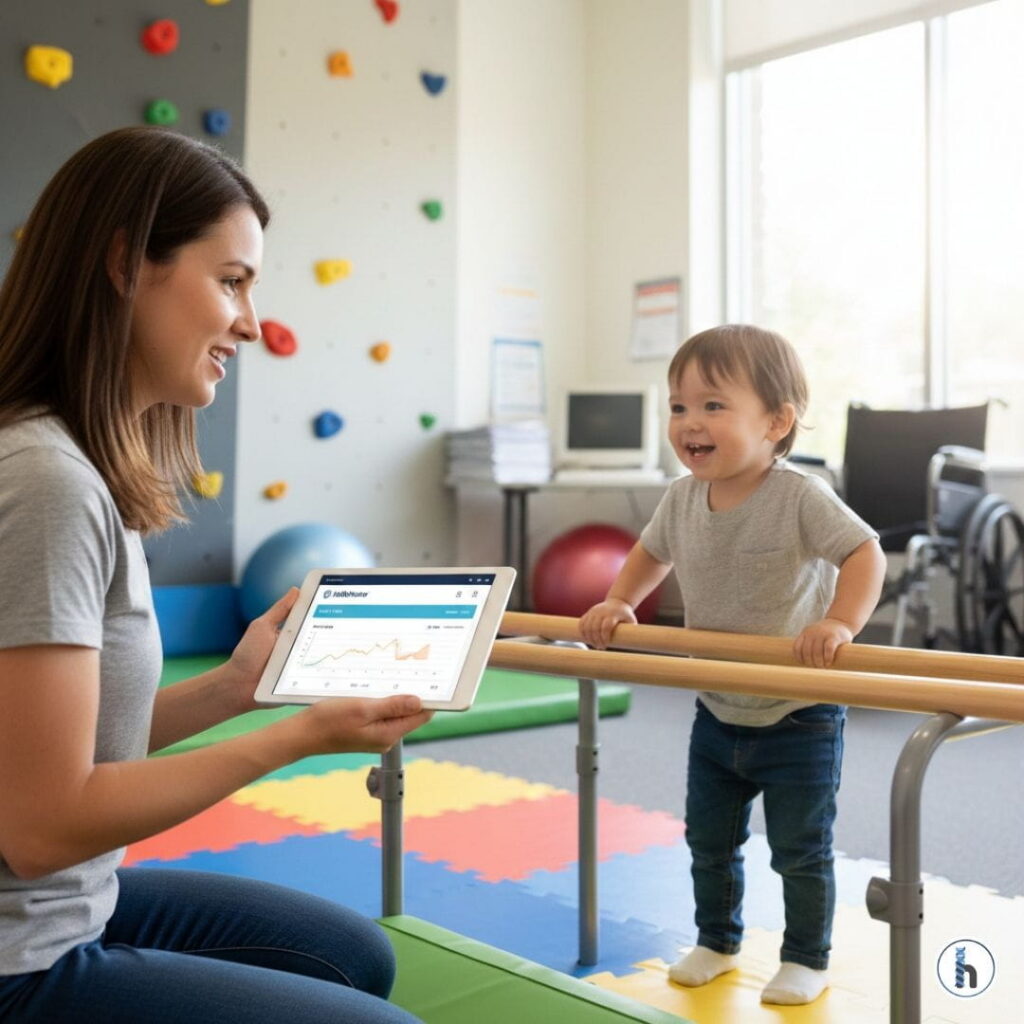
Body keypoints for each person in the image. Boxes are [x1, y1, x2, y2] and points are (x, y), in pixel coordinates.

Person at [0, 127, 434, 1024]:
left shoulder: (67, 464)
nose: (249, 321)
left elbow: (62, 743)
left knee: (354, 956)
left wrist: (239, 689)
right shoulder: (43, 481)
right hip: (20, 956)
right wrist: (298, 735)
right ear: (125, 264)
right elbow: (41, 825)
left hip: (63, 907)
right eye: (230, 280)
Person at [579, 324, 886, 1006]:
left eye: (713, 406)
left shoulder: (798, 496)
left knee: (799, 849)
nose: (690, 423)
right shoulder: (681, 497)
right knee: (707, 841)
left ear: (777, 422)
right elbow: (648, 553)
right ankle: (717, 940)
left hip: (796, 710)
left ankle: (806, 956)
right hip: (716, 707)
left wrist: (838, 621)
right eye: (679, 407)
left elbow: (866, 553)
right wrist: (619, 602)